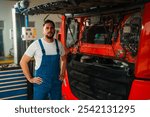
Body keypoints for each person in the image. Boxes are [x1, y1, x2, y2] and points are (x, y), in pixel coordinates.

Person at [20, 19, 66, 100]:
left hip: (56, 83)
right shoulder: (36, 44)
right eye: (47, 28)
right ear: (43, 30)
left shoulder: (59, 44)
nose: (50, 30)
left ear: (54, 30)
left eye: (52, 28)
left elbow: (64, 59)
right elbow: (23, 62)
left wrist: (62, 73)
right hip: (41, 83)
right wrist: (30, 79)